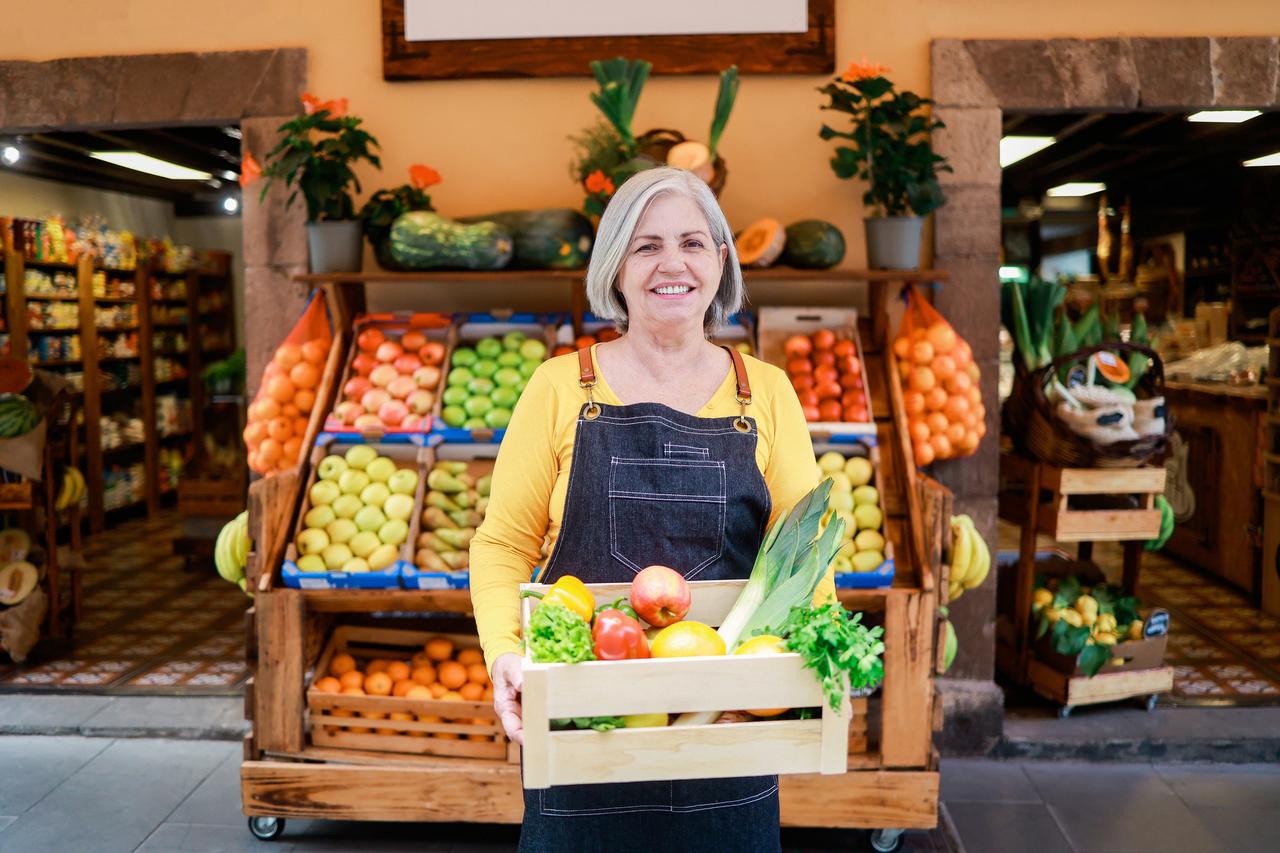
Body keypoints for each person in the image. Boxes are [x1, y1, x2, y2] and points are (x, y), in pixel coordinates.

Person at [470, 166, 826, 852]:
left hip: (726, 737)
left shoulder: (769, 393)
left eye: (693, 243)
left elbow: (803, 557)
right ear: (616, 268)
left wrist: (805, 665)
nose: (673, 263)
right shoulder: (558, 387)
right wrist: (505, 653)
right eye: (646, 245)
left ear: (721, 262)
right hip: (584, 735)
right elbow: (502, 544)